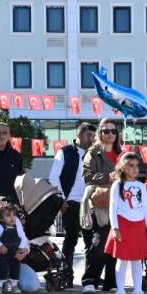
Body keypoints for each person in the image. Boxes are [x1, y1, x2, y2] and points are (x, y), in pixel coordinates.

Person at [49, 121, 93, 285]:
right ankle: (66, 275)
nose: (91, 139)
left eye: (93, 136)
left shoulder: (94, 154)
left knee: (91, 243)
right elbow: (53, 177)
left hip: (89, 205)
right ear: (78, 135)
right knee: (70, 240)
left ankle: (90, 278)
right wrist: (61, 200)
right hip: (71, 203)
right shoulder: (65, 152)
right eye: (88, 135)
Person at [105, 151, 147, 294]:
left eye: (136, 166)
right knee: (122, 259)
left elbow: (146, 208)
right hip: (123, 225)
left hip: (139, 225)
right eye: (131, 165)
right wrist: (115, 228)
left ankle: (138, 291)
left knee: (137, 260)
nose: (134, 169)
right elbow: (112, 209)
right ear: (122, 167)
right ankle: (120, 292)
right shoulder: (117, 185)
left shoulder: (141, 186)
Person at [80, 117, 121, 292]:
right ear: (100, 133)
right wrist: (108, 176)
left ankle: (111, 282)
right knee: (98, 243)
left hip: (118, 204)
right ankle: (90, 280)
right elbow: (86, 177)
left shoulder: (121, 154)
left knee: (115, 243)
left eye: (113, 131)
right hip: (99, 203)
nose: (110, 134)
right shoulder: (93, 152)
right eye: (106, 131)